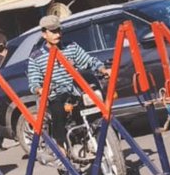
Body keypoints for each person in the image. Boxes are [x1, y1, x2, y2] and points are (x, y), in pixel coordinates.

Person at [27, 16, 109, 155]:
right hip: (55, 95)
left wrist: (103, 69)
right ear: (44, 34)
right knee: (58, 111)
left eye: (58, 30)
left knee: (94, 106)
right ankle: (61, 147)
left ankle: (94, 137)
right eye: (52, 31)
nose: (57, 34)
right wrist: (39, 89)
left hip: (75, 91)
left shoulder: (71, 47)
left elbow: (88, 60)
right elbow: (33, 80)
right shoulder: (36, 56)